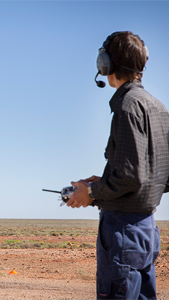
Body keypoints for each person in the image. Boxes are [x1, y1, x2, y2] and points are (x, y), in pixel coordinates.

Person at [67, 31, 169, 300]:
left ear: (106, 64)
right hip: (147, 230)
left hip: (122, 232)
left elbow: (129, 177)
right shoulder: (157, 108)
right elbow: (156, 174)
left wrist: (90, 193)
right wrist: (103, 180)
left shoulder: (126, 107)